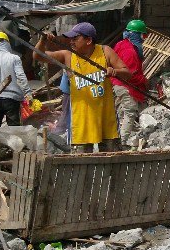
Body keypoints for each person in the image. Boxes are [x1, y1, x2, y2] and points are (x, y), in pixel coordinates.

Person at [36, 22, 131, 152]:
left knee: (110, 157)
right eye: (70, 39)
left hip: (105, 118)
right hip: (81, 121)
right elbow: (38, 56)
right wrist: (43, 41)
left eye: (75, 38)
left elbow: (127, 73)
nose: (71, 42)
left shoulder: (105, 52)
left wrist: (115, 71)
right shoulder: (68, 55)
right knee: (81, 160)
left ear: (88, 40)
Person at [112, 19, 149, 144]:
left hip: (116, 84)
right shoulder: (130, 52)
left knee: (121, 112)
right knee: (130, 112)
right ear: (135, 35)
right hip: (125, 85)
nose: (143, 39)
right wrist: (143, 81)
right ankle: (122, 141)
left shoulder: (121, 44)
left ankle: (121, 134)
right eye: (142, 35)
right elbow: (129, 75)